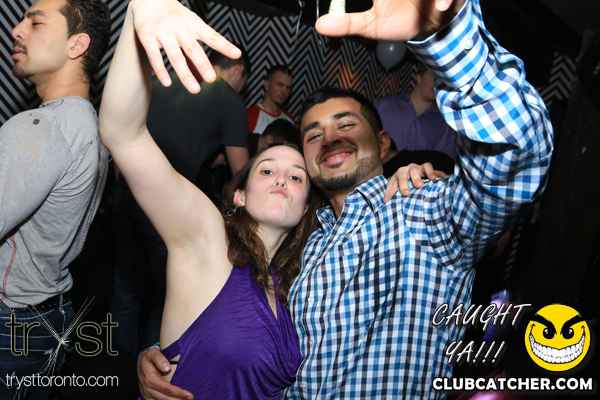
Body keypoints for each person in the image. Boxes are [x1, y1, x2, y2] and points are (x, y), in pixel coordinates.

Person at [135, 0, 553, 398]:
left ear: (384, 143)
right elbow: (244, 330)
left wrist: (447, 38)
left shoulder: (429, 212)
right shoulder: (303, 248)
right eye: (313, 134)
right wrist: (170, 352)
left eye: (346, 124)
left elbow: (519, 155)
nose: (329, 138)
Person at [99, 5, 318, 398]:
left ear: (306, 208)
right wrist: (139, 13)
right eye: (267, 169)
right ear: (239, 194)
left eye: (297, 176)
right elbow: (123, 134)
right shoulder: (207, 237)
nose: (282, 178)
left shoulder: (298, 284)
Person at [109, 45, 252, 356]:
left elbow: (126, 135)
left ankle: (115, 366)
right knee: (167, 297)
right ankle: (151, 371)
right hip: (165, 207)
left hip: (125, 194)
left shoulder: (161, 81)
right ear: (238, 72)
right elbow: (243, 174)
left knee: (126, 287)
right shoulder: (229, 99)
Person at [0, 0, 110, 398]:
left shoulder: (39, 126)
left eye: (35, 22)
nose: (17, 30)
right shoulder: (92, 125)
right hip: (52, 313)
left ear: (76, 45)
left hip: (9, 320)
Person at [375, 62, 457, 160]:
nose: (439, 83)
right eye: (434, 76)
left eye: (444, 80)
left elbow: (445, 162)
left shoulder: (446, 124)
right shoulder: (385, 105)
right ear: (419, 77)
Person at [247, 65, 295, 134]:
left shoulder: (290, 119)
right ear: (267, 85)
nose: (284, 91)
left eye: (288, 87)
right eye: (280, 85)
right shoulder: (250, 116)